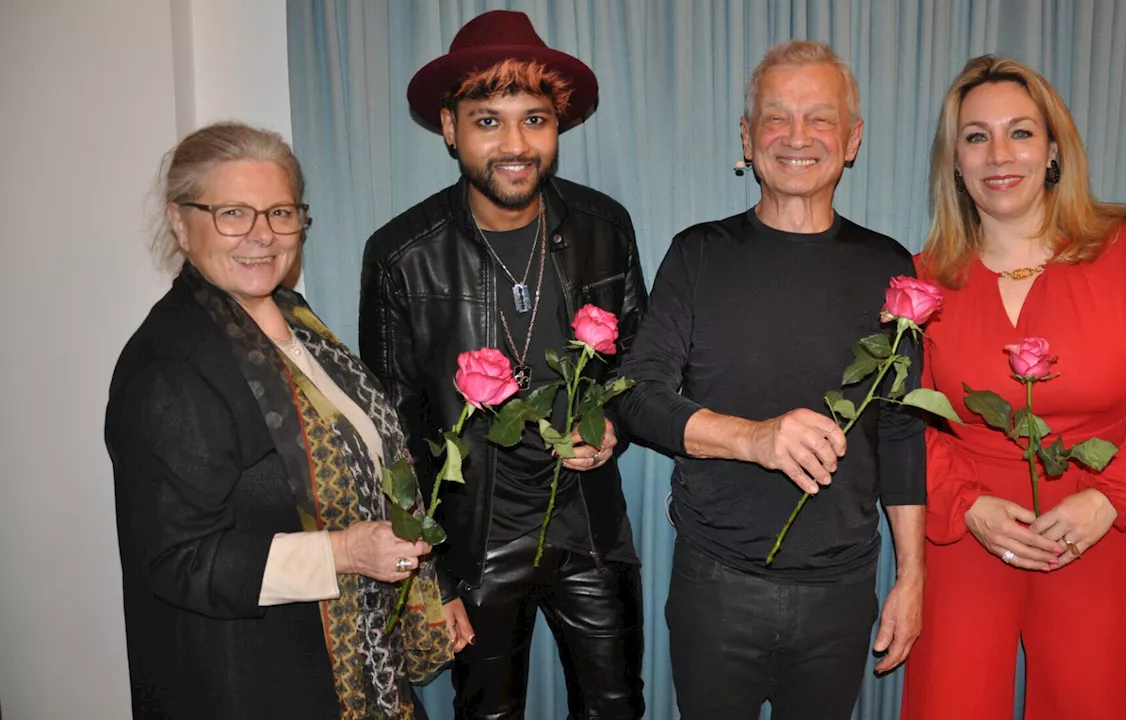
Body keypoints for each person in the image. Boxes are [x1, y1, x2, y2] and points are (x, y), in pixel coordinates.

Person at [613, 41, 926, 720]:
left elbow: (901, 435)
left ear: (852, 140)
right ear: (748, 137)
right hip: (715, 585)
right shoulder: (699, 254)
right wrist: (752, 439)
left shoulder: (890, 267)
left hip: (842, 592)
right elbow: (636, 397)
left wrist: (912, 575)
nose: (797, 136)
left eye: (820, 118)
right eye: (776, 118)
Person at [105, 122, 454, 720]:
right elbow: (179, 560)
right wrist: (343, 552)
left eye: (280, 213)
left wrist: (434, 587)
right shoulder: (168, 365)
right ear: (180, 222)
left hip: (359, 663)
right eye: (233, 213)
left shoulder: (295, 322)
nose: (261, 236)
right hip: (252, 680)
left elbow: (374, 465)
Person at [900, 55, 1126, 720]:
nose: (998, 154)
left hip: (1090, 533)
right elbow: (903, 419)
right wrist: (967, 505)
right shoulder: (925, 280)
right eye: (976, 136)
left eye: (1020, 131)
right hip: (966, 536)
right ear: (955, 161)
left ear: (1052, 150)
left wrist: (1109, 500)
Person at [360, 10, 648, 719]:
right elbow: (396, 427)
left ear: (558, 128)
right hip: (474, 544)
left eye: (535, 119)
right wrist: (435, 574)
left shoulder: (605, 229)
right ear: (451, 128)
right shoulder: (401, 254)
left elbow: (642, 363)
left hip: (591, 531)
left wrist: (614, 422)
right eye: (489, 121)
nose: (516, 145)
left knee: (616, 709)